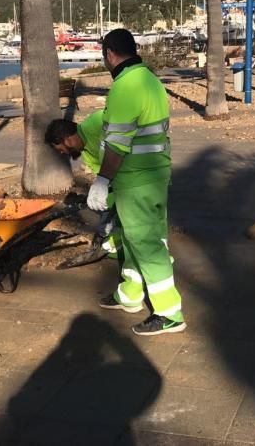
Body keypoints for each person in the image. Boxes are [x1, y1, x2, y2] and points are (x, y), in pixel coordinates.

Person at [87, 29, 184, 336]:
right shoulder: (151, 81)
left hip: (135, 180)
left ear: (109, 54)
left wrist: (102, 179)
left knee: (146, 244)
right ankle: (130, 295)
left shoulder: (124, 87)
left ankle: (169, 312)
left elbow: (117, 143)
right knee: (133, 238)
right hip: (156, 175)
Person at [45, 110, 123, 259]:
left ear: (67, 139)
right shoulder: (86, 154)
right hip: (126, 179)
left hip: (143, 170)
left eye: (61, 149)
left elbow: (121, 142)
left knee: (138, 218)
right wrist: (103, 229)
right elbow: (108, 181)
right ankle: (116, 240)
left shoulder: (97, 122)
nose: (63, 153)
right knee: (112, 203)